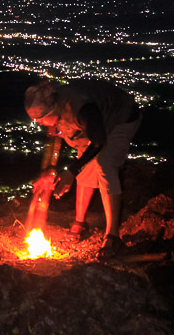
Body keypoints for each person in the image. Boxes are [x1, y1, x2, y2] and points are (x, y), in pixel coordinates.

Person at [24, 78, 141, 259]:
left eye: (40, 119)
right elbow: (55, 142)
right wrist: (48, 172)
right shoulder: (54, 113)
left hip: (119, 117)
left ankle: (112, 235)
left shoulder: (80, 107)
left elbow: (99, 141)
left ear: (51, 111)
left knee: (105, 164)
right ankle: (80, 223)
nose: (39, 124)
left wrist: (70, 172)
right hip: (92, 130)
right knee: (84, 167)